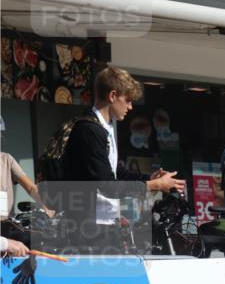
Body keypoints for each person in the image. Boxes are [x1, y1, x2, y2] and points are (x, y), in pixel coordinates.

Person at [56, 66, 185, 252]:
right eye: (128, 100)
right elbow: (107, 186)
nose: (130, 107)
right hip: (87, 228)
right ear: (112, 96)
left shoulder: (104, 127)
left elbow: (116, 171)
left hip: (104, 224)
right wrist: (154, 185)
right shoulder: (89, 130)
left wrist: (149, 178)